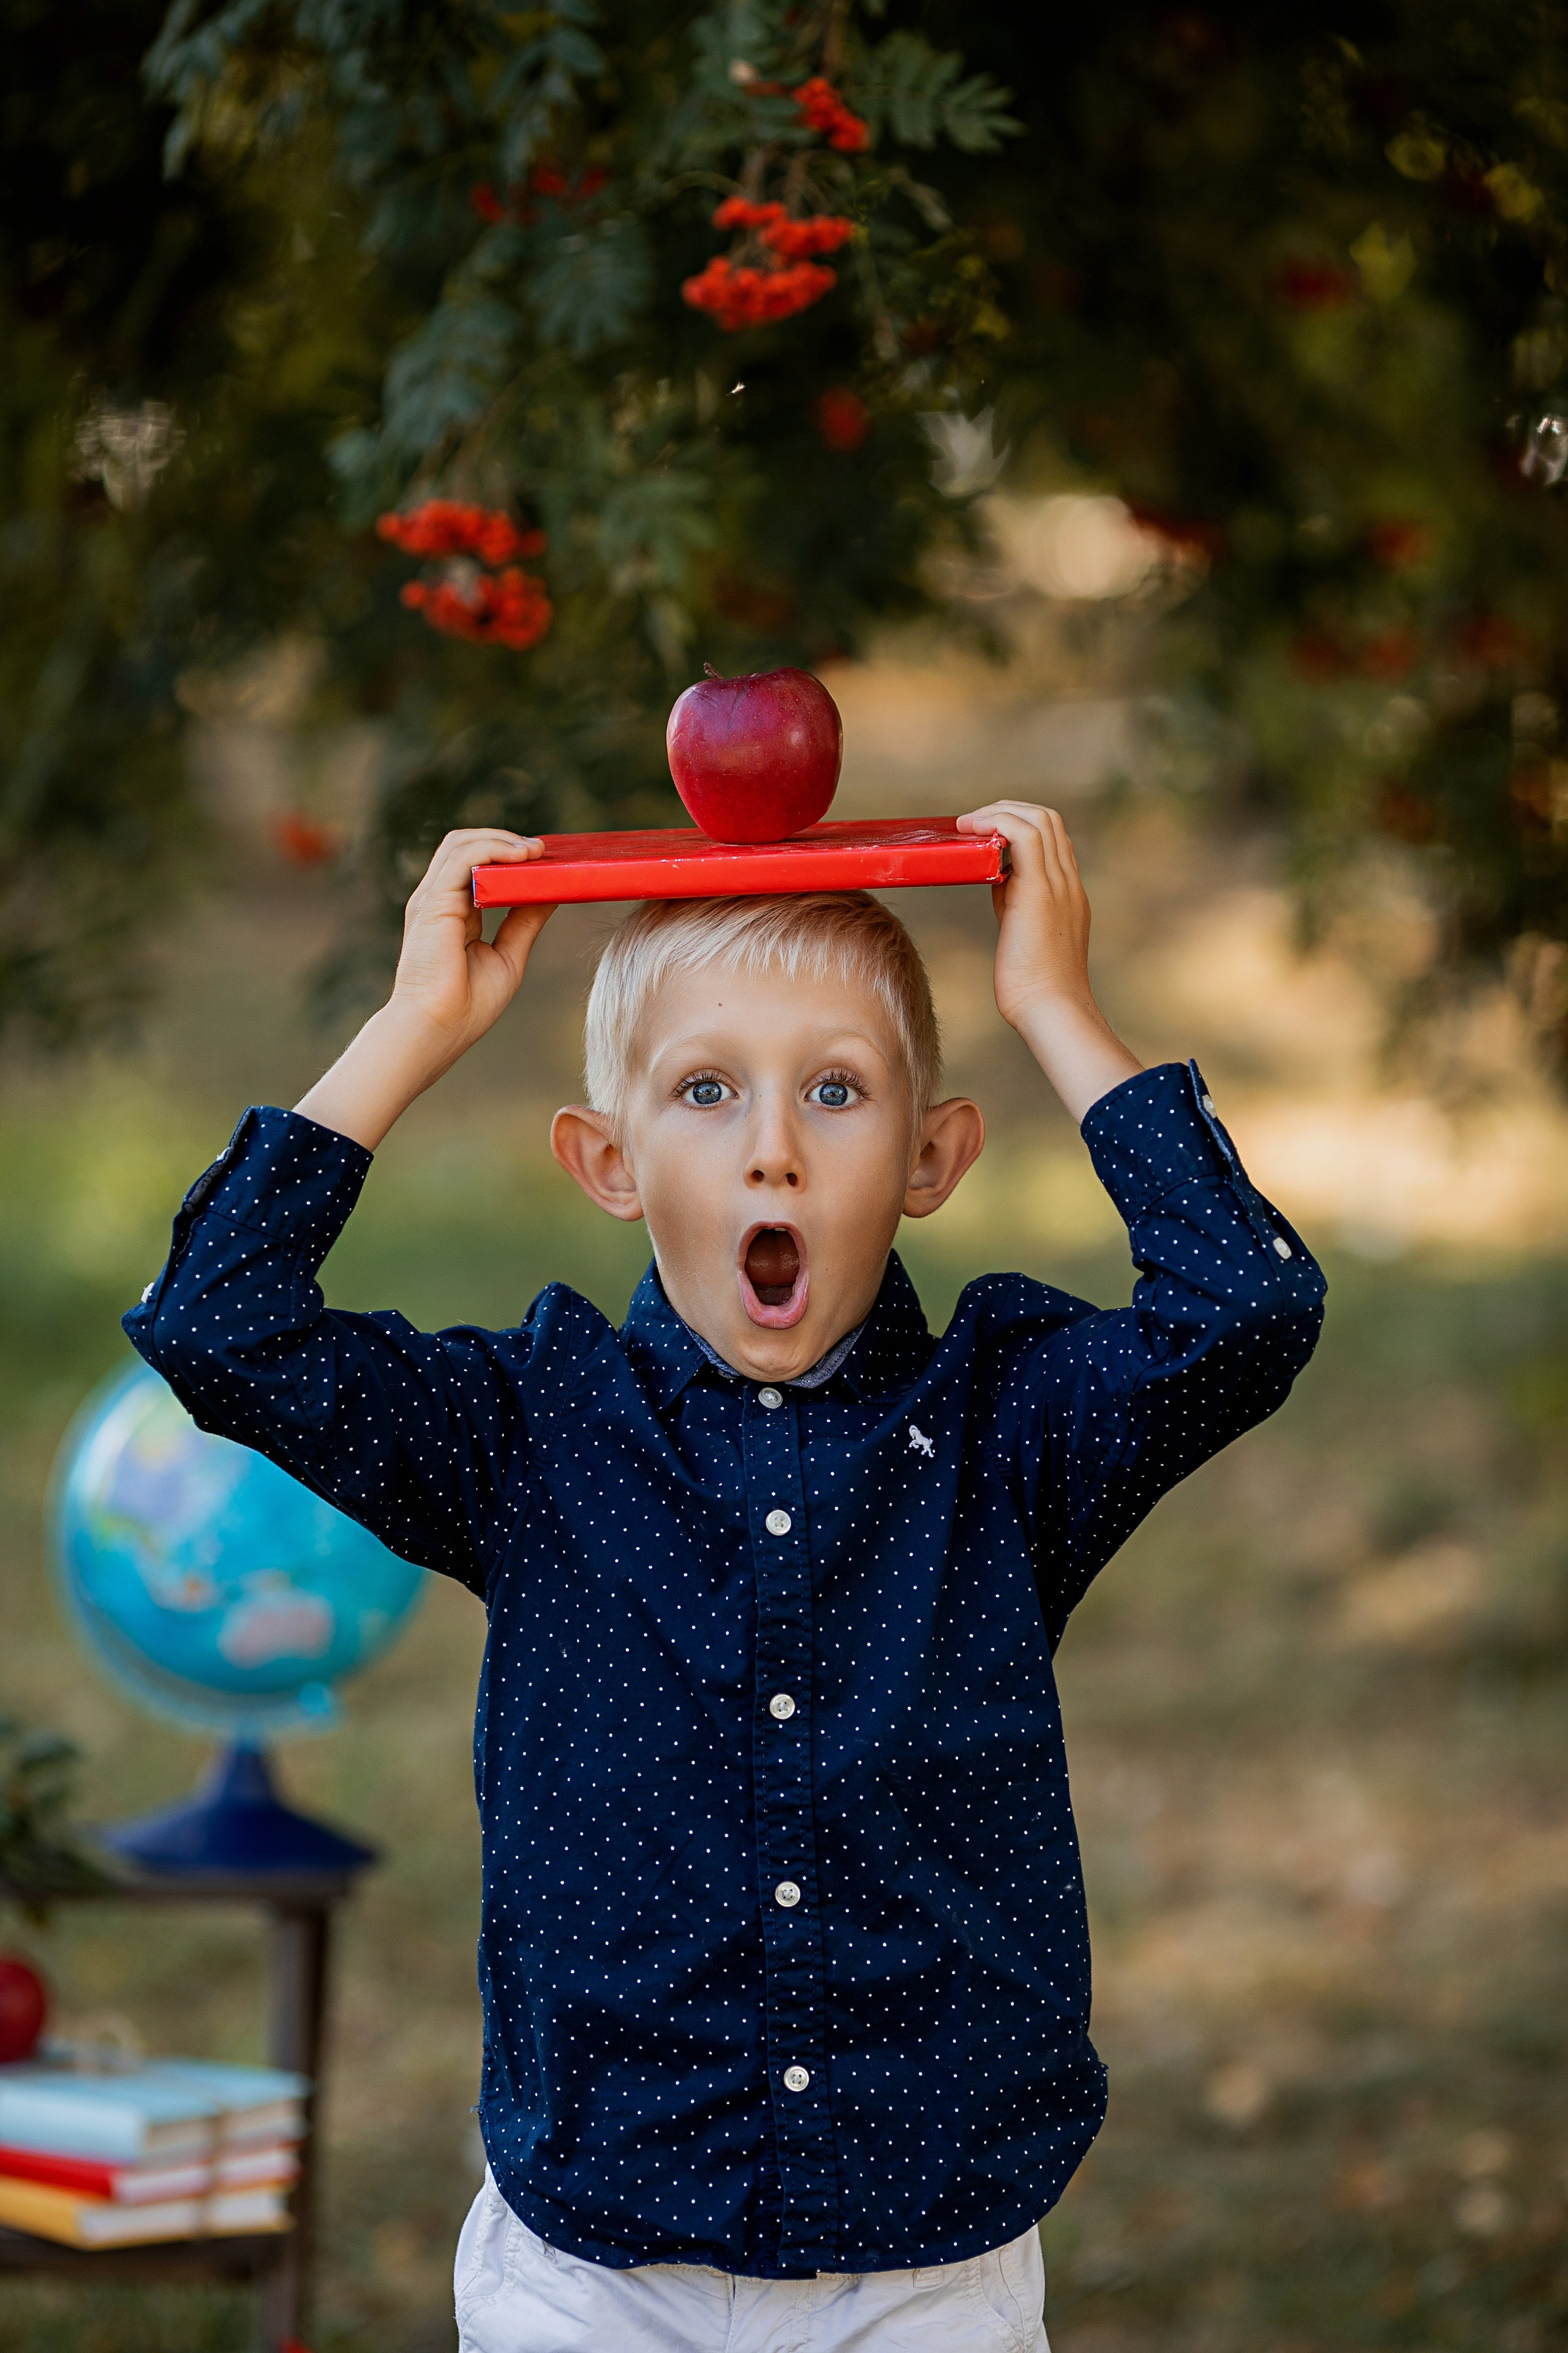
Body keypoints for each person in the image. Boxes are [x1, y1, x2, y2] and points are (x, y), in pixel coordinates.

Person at [124, 801, 1325, 2352]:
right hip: (596, 2263)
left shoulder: (1008, 1429)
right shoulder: (529, 1432)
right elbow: (213, 1320)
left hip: (924, 2261)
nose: (772, 1142)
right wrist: (415, 1023)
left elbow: (1248, 1308)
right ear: (607, 1162)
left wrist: (1051, 1001)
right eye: (704, 1091)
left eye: (838, 1089)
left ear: (931, 1155)